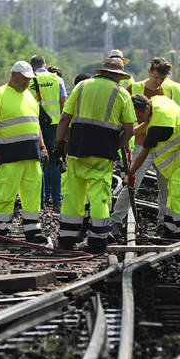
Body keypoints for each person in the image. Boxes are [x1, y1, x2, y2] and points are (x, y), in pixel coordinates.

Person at [53, 58, 135, 253]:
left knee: (73, 197)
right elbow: (130, 131)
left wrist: (59, 144)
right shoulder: (122, 95)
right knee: (99, 199)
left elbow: (65, 117)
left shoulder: (81, 87)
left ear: (102, 72)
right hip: (102, 155)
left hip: (77, 150)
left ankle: (66, 241)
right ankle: (97, 242)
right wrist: (114, 146)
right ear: (117, 75)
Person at [109, 57, 175, 237]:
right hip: (141, 143)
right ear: (149, 72)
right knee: (132, 185)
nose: (159, 82)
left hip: (162, 146)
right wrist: (128, 132)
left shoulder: (167, 90)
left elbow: (159, 119)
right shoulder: (135, 88)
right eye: (156, 78)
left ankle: (163, 223)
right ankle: (115, 222)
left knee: (165, 187)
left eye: (162, 79)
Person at [0, 61, 49, 244]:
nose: (27, 82)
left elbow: (36, 123)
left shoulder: (29, 95)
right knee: (5, 194)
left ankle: (32, 230)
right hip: (8, 156)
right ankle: (2, 232)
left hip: (31, 155)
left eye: (29, 79)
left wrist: (42, 147)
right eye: (25, 79)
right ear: (14, 75)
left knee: (32, 192)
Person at [127, 94, 180, 240]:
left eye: (140, 115)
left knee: (178, 192)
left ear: (147, 108)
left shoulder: (158, 124)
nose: (138, 119)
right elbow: (146, 122)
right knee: (171, 190)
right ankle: (169, 229)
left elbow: (143, 154)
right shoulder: (156, 101)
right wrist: (130, 132)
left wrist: (131, 173)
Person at [28, 55, 66, 211]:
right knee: (56, 162)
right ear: (44, 65)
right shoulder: (57, 79)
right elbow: (64, 104)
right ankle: (57, 200)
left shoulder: (29, 79)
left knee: (39, 162)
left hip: (34, 125)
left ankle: (41, 200)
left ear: (32, 67)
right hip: (55, 125)